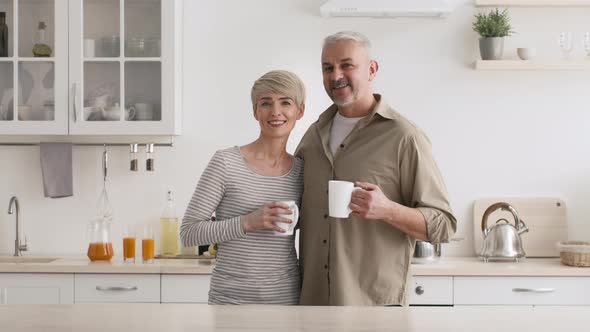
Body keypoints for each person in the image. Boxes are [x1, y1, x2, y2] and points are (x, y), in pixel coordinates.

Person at [295, 31, 457, 306]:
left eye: (347, 65)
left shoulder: (404, 137)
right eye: (327, 68)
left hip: (374, 307)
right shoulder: (313, 135)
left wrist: (387, 209)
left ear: (371, 70)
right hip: (314, 304)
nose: (336, 76)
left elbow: (443, 225)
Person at [180, 70, 306, 305]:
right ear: (255, 111)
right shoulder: (226, 162)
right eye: (265, 103)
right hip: (230, 302)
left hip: (285, 301)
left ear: (300, 110)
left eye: (285, 102)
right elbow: (188, 232)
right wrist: (247, 222)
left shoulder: (302, 171)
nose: (275, 112)